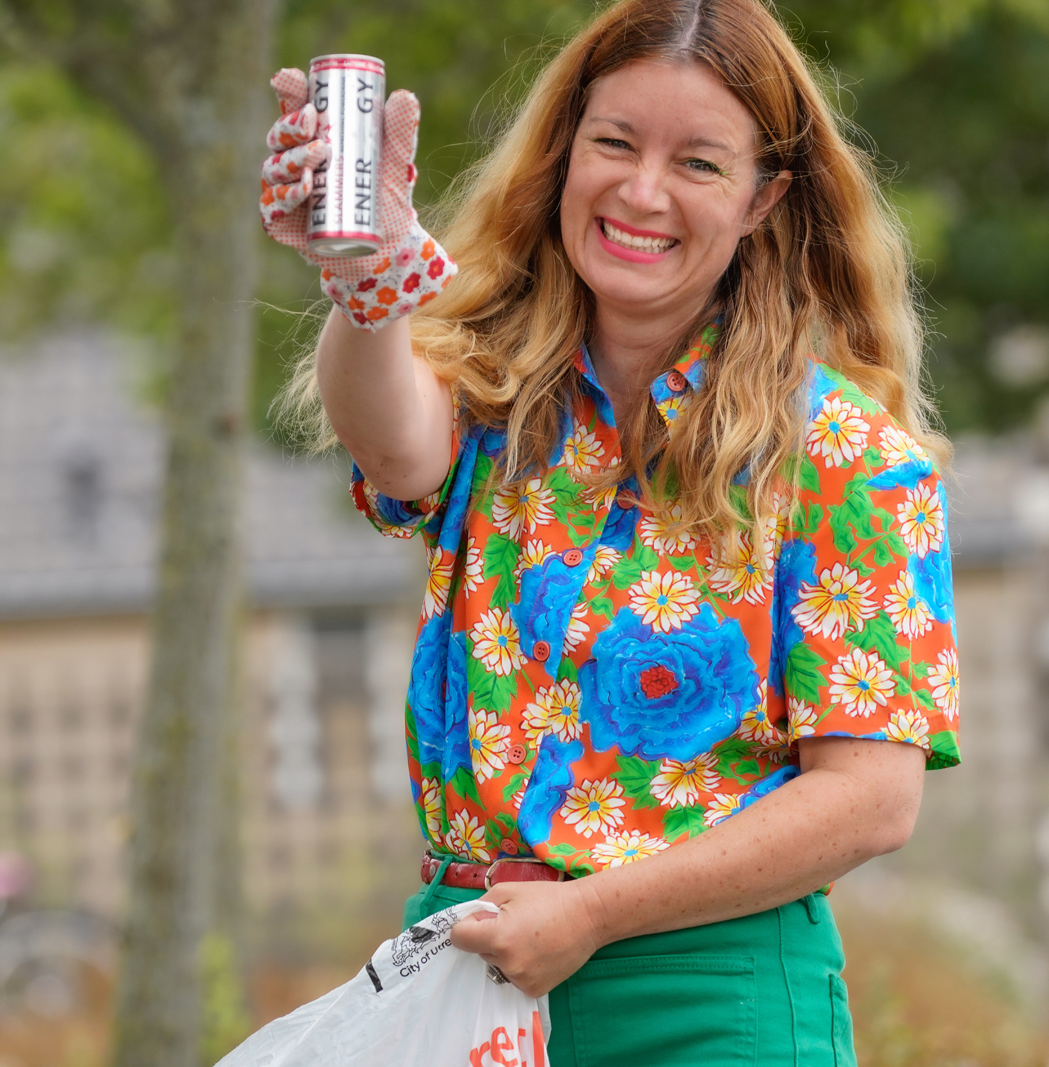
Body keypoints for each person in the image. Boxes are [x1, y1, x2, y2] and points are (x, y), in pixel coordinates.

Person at [259, 1, 959, 1064]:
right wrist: (366, 281)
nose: (640, 191)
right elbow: (397, 452)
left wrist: (590, 913)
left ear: (763, 199)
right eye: (614, 143)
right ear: (564, 154)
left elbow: (869, 801)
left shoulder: (845, 458)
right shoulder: (497, 398)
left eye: (699, 163)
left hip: (704, 994)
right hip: (466, 969)